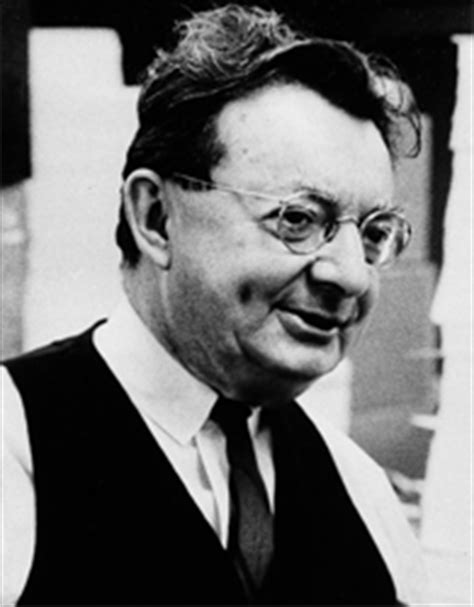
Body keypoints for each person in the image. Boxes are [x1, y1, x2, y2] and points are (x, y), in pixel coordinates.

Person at [2, 4, 428, 605]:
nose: (352, 275)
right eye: (299, 219)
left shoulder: (360, 490)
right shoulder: (14, 444)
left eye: (375, 233)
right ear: (156, 218)